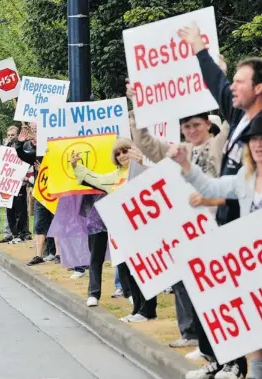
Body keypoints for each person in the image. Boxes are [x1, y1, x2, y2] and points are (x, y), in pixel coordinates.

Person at [174, 24, 262, 379]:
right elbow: (217, 83)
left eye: (241, 82)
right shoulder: (241, 116)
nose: (233, 88)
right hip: (233, 224)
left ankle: (240, 366)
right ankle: (233, 363)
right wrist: (198, 49)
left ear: (259, 88)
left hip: (250, 233)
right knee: (233, 303)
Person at [125, 107, 229, 348]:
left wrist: (217, 78)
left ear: (207, 124)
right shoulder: (178, 152)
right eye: (187, 127)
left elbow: (234, 117)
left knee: (215, 286)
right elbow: (146, 143)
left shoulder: (220, 144)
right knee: (184, 281)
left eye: (197, 125)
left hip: (216, 225)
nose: (192, 130)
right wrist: (136, 106)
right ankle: (193, 335)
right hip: (187, 228)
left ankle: (216, 344)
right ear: (181, 130)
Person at [71, 138, 156, 319]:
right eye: (118, 153)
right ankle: (137, 309)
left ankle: (148, 309)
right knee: (128, 269)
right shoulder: (115, 176)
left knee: (143, 268)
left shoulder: (142, 169)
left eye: (125, 151)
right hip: (124, 230)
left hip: (143, 227)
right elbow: (95, 178)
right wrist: (76, 166)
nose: (122, 155)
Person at [15, 123, 57, 265]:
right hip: (40, 193)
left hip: (55, 192)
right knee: (40, 224)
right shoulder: (37, 154)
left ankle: (57, 254)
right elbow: (23, 156)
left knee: (56, 222)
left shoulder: (56, 149)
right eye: (34, 131)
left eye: (37, 131)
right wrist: (20, 144)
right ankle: (39, 255)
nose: (35, 134)